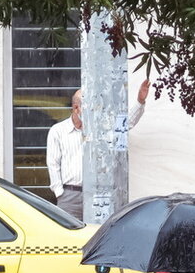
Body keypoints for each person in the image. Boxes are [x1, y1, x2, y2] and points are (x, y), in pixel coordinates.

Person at [46, 79, 150, 220]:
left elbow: (126, 124)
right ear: (76, 108)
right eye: (89, 107)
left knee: (97, 235)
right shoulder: (58, 131)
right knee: (70, 238)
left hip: (97, 194)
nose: (94, 110)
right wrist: (60, 192)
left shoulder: (100, 127)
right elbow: (53, 164)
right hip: (70, 195)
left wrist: (140, 101)